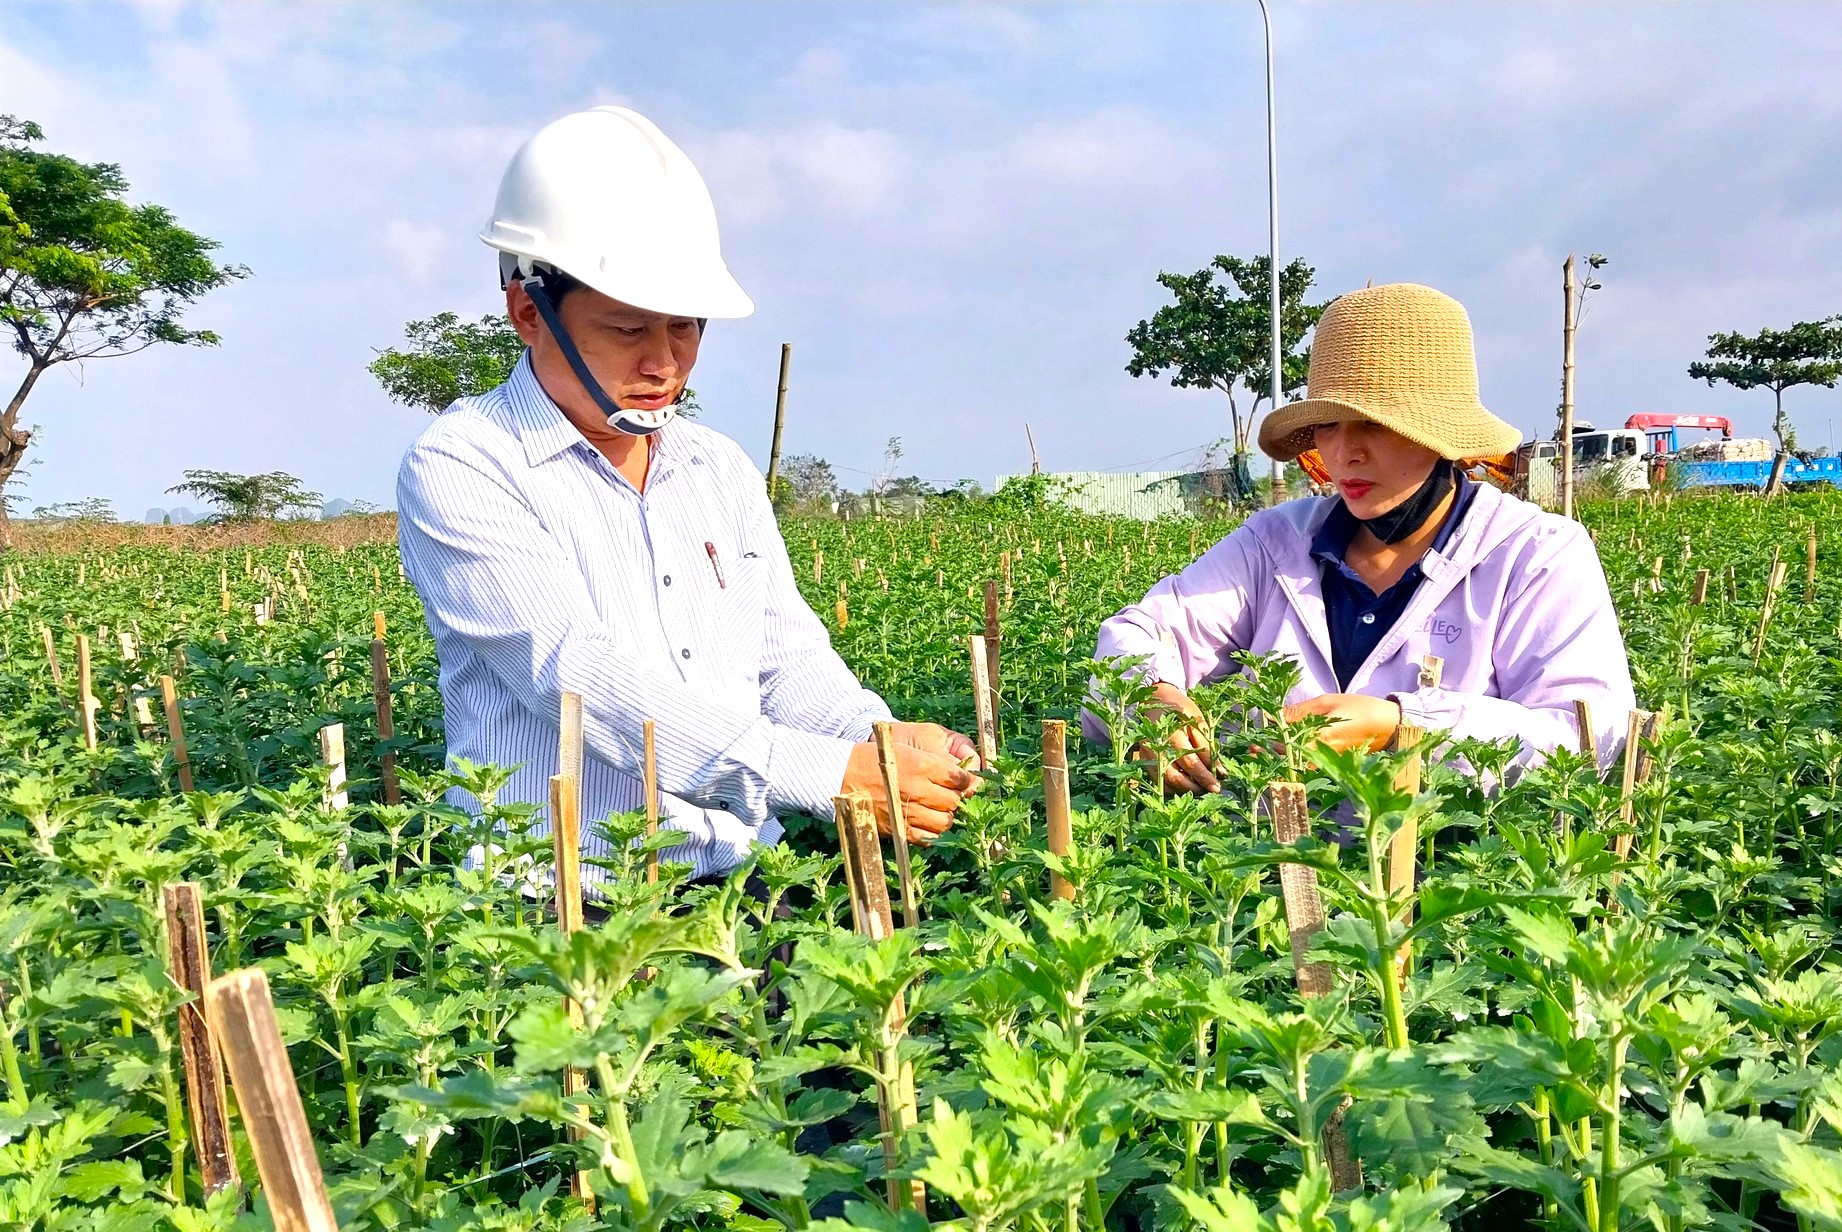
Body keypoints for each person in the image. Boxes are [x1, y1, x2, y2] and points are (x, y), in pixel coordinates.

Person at [397, 106, 977, 879]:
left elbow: (786, 661)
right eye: (629, 330)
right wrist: (830, 774)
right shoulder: (467, 463)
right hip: (568, 903)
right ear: (528, 311)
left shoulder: (717, 468)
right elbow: (579, 679)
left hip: (744, 880)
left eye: (686, 328)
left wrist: (880, 741)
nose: (666, 363)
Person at [1092, 282, 1634, 792]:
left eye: (1374, 424)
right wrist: (1150, 699)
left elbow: (1591, 739)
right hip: (1267, 872)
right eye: (1328, 425)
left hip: (1455, 874)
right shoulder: (1274, 543)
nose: (1344, 452)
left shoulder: (1535, 554)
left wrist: (1404, 727)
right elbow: (1137, 634)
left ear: (1441, 437)